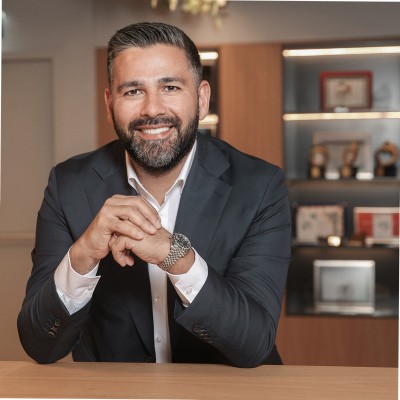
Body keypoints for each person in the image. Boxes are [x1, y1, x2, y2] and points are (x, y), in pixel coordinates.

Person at [17, 22, 292, 368]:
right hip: (115, 392)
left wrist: (175, 256)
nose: (151, 109)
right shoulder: (67, 185)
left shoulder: (260, 186)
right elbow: (40, 345)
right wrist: (82, 256)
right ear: (109, 104)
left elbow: (254, 343)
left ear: (202, 98)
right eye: (133, 91)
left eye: (170, 87)